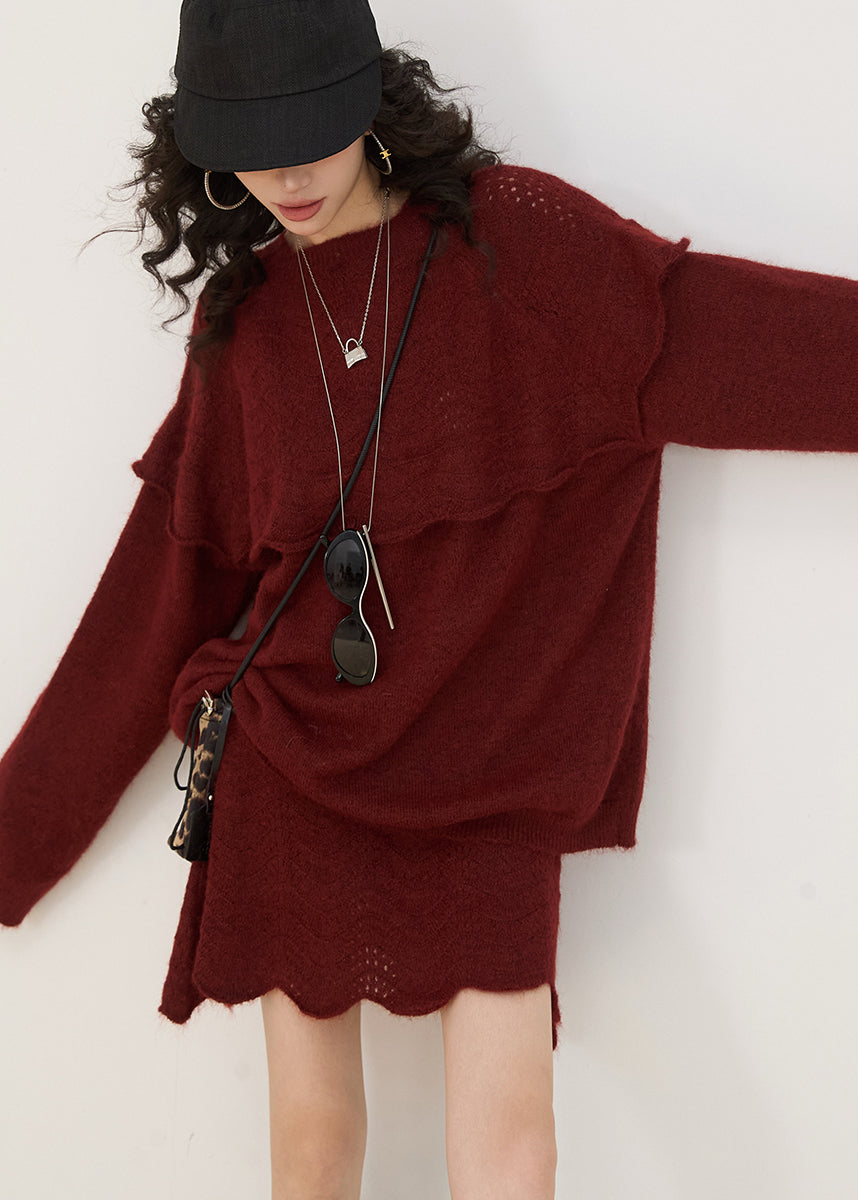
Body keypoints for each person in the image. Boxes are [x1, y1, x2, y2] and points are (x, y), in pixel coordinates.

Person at [1, 2, 857, 1198]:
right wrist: (15, 843)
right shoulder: (244, 323)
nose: (287, 175)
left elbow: (739, 335)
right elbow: (154, 592)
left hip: (487, 785)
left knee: (511, 1149)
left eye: (310, 129)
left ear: (369, 98)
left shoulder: (526, 249)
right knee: (312, 1148)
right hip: (298, 769)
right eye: (251, 145)